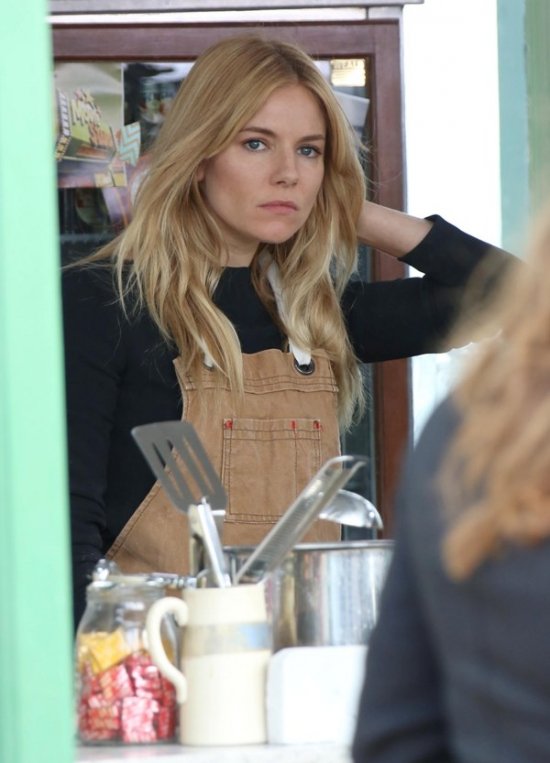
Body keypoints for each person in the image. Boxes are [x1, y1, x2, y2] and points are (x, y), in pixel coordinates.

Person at [62, 34, 513, 627]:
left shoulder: (316, 316)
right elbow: (66, 539)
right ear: (199, 156)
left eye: (309, 151)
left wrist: (348, 208)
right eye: (256, 143)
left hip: (301, 669)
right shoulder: (102, 303)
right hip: (158, 665)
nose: (287, 174)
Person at [351, 210, 550, 762]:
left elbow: (398, 735)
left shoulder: (474, 435)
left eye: (312, 163)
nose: (287, 176)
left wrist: (345, 206)